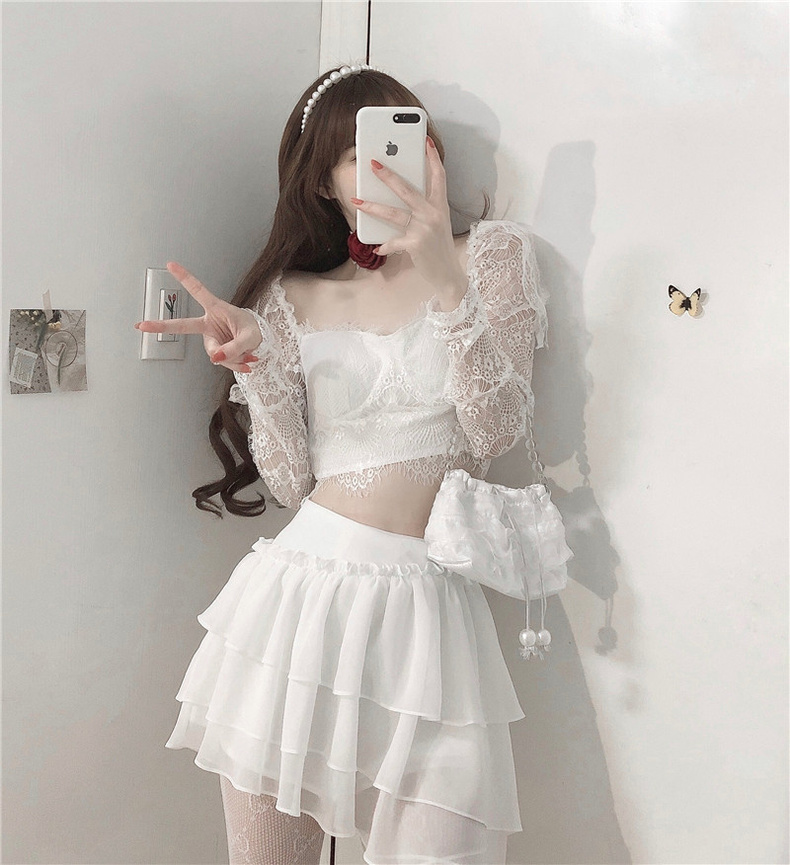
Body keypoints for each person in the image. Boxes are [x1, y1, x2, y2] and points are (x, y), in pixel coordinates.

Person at [135, 63, 550, 865]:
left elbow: (497, 428)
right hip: (299, 604)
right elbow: (291, 481)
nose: (397, 161)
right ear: (324, 182)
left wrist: (445, 278)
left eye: (411, 136)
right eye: (364, 152)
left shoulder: (494, 255)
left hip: (431, 617)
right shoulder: (291, 295)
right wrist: (255, 368)